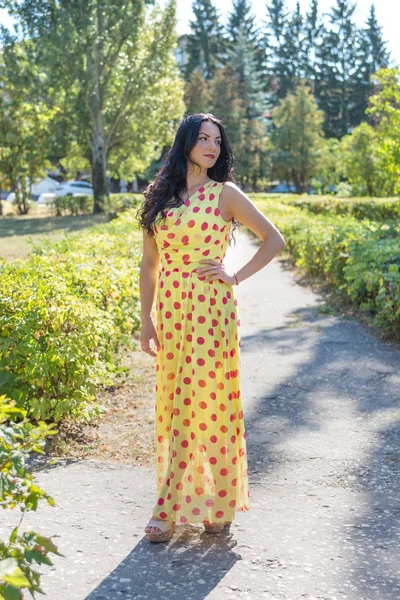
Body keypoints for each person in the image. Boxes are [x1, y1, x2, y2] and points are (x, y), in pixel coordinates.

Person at [136, 113, 286, 543]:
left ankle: (203, 504)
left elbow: (273, 239)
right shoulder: (158, 198)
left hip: (209, 311)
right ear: (185, 142)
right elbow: (149, 264)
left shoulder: (226, 194)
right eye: (203, 138)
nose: (211, 146)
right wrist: (145, 319)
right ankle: (181, 503)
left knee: (206, 401)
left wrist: (235, 277)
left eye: (217, 141)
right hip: (170, 309)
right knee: (174, 402)